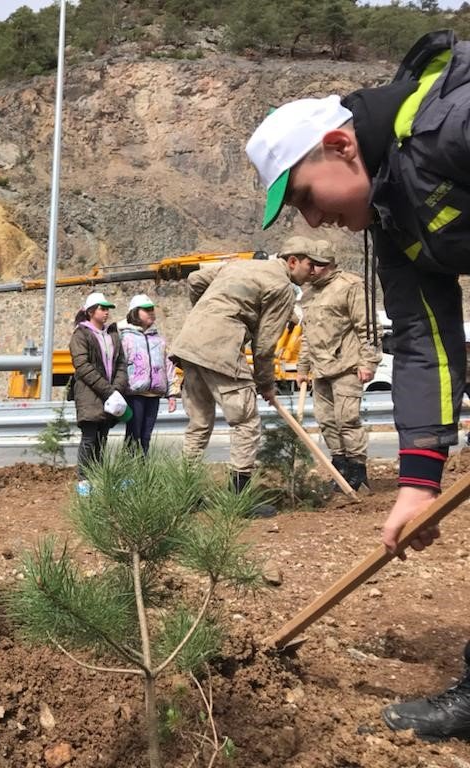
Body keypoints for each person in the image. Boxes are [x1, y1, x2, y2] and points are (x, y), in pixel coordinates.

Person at [245, 29, 470, 740]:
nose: (313, 222)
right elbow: (423, 343)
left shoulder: (452, 127)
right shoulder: (394, 218)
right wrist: (418, 481)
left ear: (340, 148)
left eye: (306, 198)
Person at [169, 252, 315, 516]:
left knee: (199, 424)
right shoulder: (282, 287)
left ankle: (184, 495)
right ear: (293, 261)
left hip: (189, 342)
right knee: (246, 422)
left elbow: (195, 279)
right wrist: (266, 384)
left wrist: (209, 312)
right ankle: (239, 501)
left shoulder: (240, 265)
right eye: (310, 265)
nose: (313, 271)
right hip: (220, 347)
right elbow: (264, 345)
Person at [292, 238, 382, 492]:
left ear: (327, 264)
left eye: (315, 265)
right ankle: (340, 469)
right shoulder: (309, 293)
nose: (310, 271)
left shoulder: (350, 286)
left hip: (347, 367)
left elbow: (369, 328)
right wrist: (302, 368)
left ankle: (357, 472)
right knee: (327, 422)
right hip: (321, 370)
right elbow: (308, 334)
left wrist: (368, 362)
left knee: (348, 420)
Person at [70, 291, 128, 494]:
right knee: (89, 438)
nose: (106, 313)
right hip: (89, 394)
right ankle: (84, 480)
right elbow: (82, 366)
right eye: (103, 309)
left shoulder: (112, 335)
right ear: (91, 311)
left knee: (102, 437)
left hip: (109, 395)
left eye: (107, 309)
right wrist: (108, 390)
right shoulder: (81, 334)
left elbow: (121, 363)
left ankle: (98, 476)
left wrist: (117, 389)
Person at [119, 293, 177, 455]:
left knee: (146, 437)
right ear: (135, 312)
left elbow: (168, 366)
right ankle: (128, 473)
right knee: (133, 435)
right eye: (146, 310)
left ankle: (142, 472)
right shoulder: (126, 338)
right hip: (134, 394)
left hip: (154, 395)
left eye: (152, 309)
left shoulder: (158, 339)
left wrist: (171, 394)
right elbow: (120, 366)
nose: (151, 312)